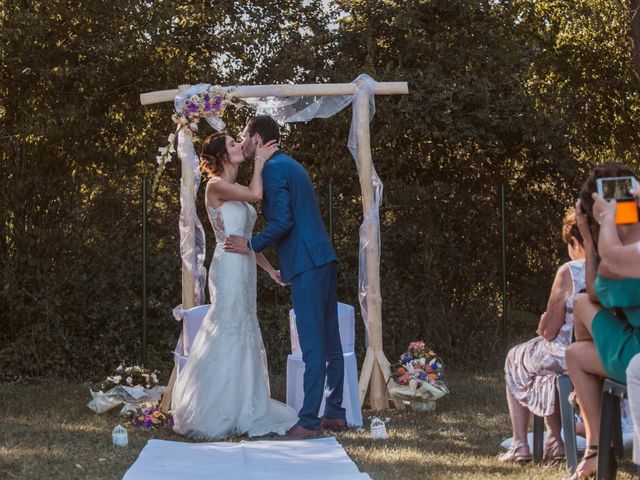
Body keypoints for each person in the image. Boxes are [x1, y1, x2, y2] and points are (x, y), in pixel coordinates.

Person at [224, 115, 346, 439]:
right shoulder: (285, 164)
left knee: (313, 344)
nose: (242, 141)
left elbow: (283, 222)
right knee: (331, 340)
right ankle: (334, 412)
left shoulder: (276, 169)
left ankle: (308, 421)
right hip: (321, 258)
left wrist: (251, 244)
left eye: (244, 136)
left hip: (307, 262)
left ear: (258, 139)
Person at [171, 132, 298, 439]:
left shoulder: (235, 187)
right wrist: (259, 160)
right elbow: (257, 195)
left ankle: (245, 404)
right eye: (232, 144)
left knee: (244, 328)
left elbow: (245, 242)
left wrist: (269, 270)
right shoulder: (216, 185)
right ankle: (213, 407)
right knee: (226, 326)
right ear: (223, 156)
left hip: (244, 269)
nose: (238, 145)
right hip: (227, 268)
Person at [566, 162, 640, 479]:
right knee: (575, 351)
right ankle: (595, 447)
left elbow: (597, 289)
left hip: (635, 354)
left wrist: (592, 229)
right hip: (630, 343)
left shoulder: (622, 255)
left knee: (581, 305)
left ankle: (595, 447)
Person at [500, 208, 586, 463]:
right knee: (547, 373)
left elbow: (549, 330)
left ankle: (520, 444)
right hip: (600, 350)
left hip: (565, 352)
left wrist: (542, 324)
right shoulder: (616, 264)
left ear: (575, 241)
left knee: (516, 356)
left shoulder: (570, 270)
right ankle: (554, 438)